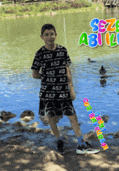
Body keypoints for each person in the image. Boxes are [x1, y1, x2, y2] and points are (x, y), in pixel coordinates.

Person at [31, 23, 100, 155]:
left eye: (52, 34)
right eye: (46, 34)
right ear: (41, 37)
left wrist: (71, 88)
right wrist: (48, 79)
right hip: (48, 93)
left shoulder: (62, 50)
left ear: (56, 35)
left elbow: (68, 70)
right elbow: (34, 74)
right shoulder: (39, 53)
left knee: (72, 116)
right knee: (51, 117)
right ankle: (59, 140)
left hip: (64, 91)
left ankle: (81, 144)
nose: (49, 37)